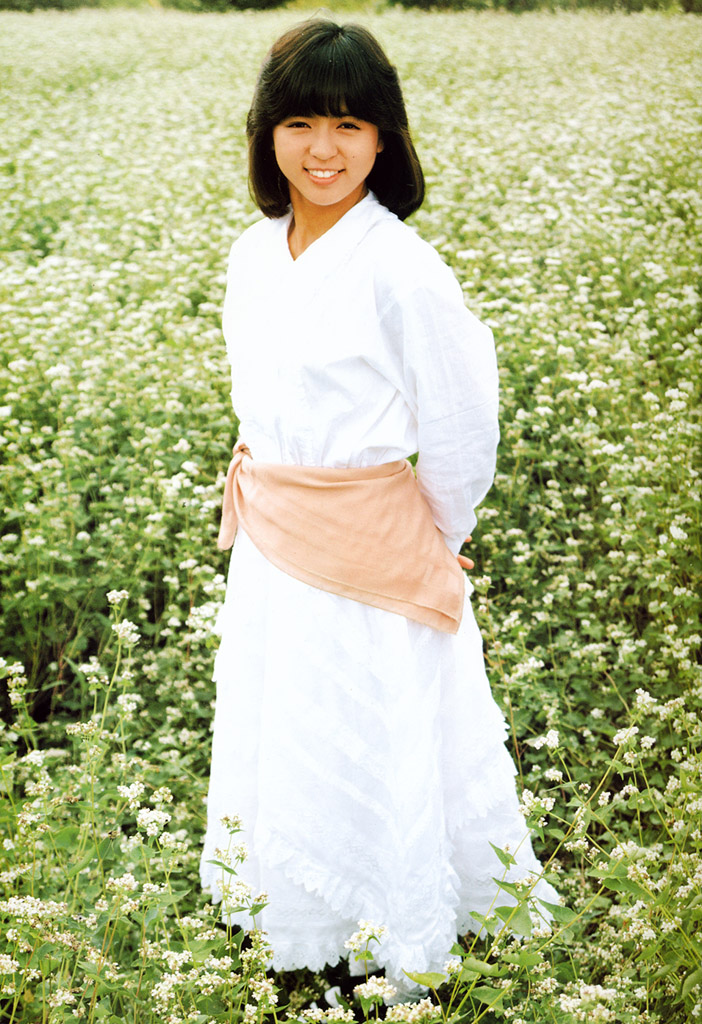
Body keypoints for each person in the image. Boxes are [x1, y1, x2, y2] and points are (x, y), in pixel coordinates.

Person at [200, 19, 558, 998]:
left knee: (372, 729)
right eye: (300, 123)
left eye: (350, 125)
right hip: (271, 537)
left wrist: (439, 535)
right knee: (289, 725)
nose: (323, 149)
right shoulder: (252, 252)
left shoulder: (403, 266)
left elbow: (460, 421)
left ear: (385, 140)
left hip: (370, 541)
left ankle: (393, 946)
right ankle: (301, 929)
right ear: (267, 135)